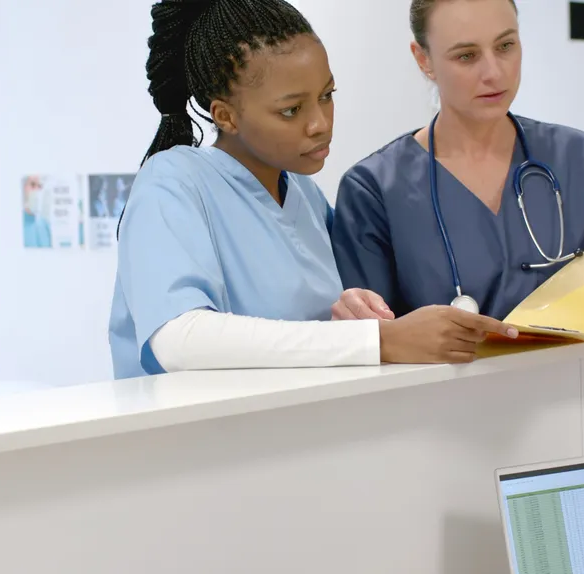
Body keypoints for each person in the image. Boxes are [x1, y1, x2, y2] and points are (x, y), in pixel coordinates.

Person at [109, 0, 517, 379]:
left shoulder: (303, 192)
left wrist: (355, 308)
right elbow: (179, 340)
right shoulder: (172, 182)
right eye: (291, 110)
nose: (320, 123)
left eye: (327, 96)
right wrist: (380, 341)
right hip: (198, 450)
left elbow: (321, 328)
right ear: (225, 115)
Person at [329, 0, 584, 320]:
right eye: (466, 55)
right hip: (449, 393)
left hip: (580, 386)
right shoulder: (374, 189)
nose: (494, 72)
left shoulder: (578, 157)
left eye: (505, 46)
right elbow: (374, 339)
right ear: (424, 59)